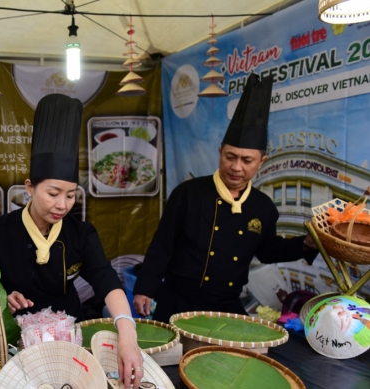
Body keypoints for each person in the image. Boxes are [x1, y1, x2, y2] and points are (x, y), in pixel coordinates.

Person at [0, 94, 144, 388]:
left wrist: (127, 334)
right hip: (12, 341)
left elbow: (106, 281)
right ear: (29, 188)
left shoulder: (80, 233)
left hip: (68, 340)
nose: (62, 204)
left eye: (71, 194)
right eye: (53, 193)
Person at [133, 74, 318, 323]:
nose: (236, 167)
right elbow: (162, 245)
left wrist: (306, 244)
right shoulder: (189, 193)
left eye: (247, 160)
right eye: (230, 157)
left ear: (261, 162)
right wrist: (146, 287)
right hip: (177, 300)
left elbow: (268, 251)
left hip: (226, 305)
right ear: (220, 152)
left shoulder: (262, 207)